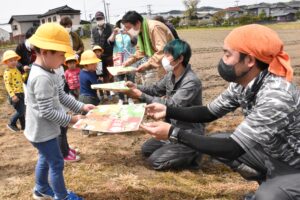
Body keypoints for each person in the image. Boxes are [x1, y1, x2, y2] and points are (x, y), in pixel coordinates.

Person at [141, 24, 300, 200]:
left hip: (294, 165)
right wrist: (168, 110)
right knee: (217, 141)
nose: (223, 60)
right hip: (272, 154)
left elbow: (232, 148)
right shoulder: (242, 84)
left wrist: (173, 133)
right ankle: (269, 179)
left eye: (227, 54)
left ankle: (280, 187)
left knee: (267, 196)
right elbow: (209, 112)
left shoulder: (276, 96)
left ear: (250, 60)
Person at [24, 23, 95, 200]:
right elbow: (46, 110)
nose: (64, 59)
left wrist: (81, 107)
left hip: (43, 130)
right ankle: (62, 197)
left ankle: (41, 189)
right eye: (61, 54)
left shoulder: (51, 70)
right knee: (56, 162)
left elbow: (61, 95)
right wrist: (72, 119)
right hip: (42, 132)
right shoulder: (41, 77)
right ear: (46, 51)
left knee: (45, 158)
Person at [123, 39, 203, 170]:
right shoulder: (171, 75)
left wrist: (140, 96)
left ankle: (193, 153)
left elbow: (172, 105)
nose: (164, 59)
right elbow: (155, 89)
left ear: (180, 58)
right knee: (146, 150)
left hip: (188, 132)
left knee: (155, 161)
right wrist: (135, 86)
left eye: (167, 55)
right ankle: (175, 148)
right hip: (171, 129)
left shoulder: (191, 82)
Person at [121, 11, 174, 85]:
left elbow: (162, 50)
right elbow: (140, 51)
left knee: (167, 87)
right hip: (160, 62)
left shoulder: (154, 28)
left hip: (170, 61)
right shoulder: (141, 31)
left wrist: (148, 64)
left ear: (137, 23)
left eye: (128, 27)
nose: (127, 30)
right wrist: (129, 61)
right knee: (160, 87)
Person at [54, 64, 80, 162]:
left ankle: (66, 149)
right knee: (60, 132)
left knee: (64, 129)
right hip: (57, 108)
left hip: (62, 106)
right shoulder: (49, 71)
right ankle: (63, 154)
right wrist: (72, 119)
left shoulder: (59, 68)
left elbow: (62, 92)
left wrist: (81, 106)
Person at [108, 19, 137, 104]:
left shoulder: (131, 32)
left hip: (130, 60)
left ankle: (130, 98)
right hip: (118, 61)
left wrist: (128, 33)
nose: (123, 25)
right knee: (119, 81)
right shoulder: (116, 33)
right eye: (121, 23)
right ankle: (121, 98)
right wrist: (114, 33)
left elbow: (134, 41)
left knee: (130, 79)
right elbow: (110, 42)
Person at [91, 11, 114, 95]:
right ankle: (102, 92)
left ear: (104, 18)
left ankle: (111, 91)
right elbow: (92, 42)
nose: (99, 20)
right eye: (97, 19)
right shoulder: (93, 29)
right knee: (100, 74)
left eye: (100, 18)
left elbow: (113, 40)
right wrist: (95, 52)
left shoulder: (109, 27)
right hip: (98, 57)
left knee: (110, 73)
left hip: (108, 55)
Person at [2, 50, 26, 132]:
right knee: (21, 111)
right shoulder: (7, 72)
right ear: (6, 62)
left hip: (21, 93)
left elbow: (20, 80)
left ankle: (24, 127)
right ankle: (11, 123)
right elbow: (7, 85)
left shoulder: (16, 69)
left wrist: (25, 75)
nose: (13, 62)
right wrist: (13, 95)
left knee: (22, 110)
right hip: (15, 94)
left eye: (15, 60)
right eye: (11, 60)